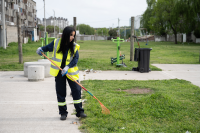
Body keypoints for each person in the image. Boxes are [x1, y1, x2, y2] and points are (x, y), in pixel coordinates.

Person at [36, 26, 87, 120]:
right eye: (71, 35)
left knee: (76, 91)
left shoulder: (74, 46)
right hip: (59, 72)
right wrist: (41, 49)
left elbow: (75, 60)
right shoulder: (56, 42)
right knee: (61, 92)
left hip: (71, 72)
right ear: (66, 34)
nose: (72, 37)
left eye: (73, 36)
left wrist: (67, 67)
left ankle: (80, 111)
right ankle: (63, 113)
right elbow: (47, 48)